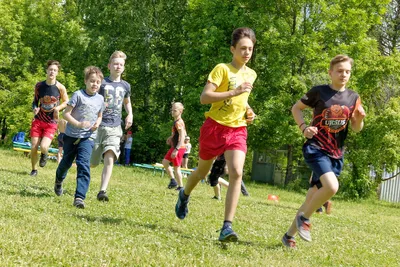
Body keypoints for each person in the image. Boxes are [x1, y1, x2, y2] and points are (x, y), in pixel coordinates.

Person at [175, 27, 257, 243]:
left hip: (237, 129)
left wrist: (249, 110)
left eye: (250, 48)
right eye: (242, 48)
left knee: (237, 172)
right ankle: (184, 194)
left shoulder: (251, 74)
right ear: (233, 49)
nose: (247, 52)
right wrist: (234, 92)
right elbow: (205, 97)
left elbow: (242, 100)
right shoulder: (222, 69)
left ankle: (226, 227)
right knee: (202, 172)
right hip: (214, 128)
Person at [281, 55, 366, 248]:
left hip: (336, 154)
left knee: (311, 198)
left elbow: (356, 128)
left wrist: (359, 119)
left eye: (347, 71)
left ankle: (288, 236)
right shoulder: (319, 92)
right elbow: (296, 108)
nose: (344, 74)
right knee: (332, 187)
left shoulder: (354, 97)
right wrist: (304, 128)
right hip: (316, 148)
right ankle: (305, 219)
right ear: (330, 72)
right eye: (340, 71)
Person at [54, 66, 105, 209]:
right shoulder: (78, 95)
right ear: (86, 81)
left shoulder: (100, 99)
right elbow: (66, 114)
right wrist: (78, 124)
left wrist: (96, 124)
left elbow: (100, 116)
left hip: (88, 137)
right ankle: (59, 179)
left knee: (83, 164)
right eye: (92, 81)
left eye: (98, 82)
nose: (95, 84)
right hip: (71, 136)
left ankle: (79, 197)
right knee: (66, 163)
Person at [91, 51, 133, 202]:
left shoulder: (126, 86)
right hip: (98, 126)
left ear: (124, 67)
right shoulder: (102, 83)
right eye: (115, 64)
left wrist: (130, 114)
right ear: (109, 66)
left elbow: (127, 102)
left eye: (121, 64)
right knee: (93, 163)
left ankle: (102, 191)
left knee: (110, 156)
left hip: (115, 127)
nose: (118, 66)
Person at [29, 60, 69, 176]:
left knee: (44, 146)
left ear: (57, 73)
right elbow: (35, 102)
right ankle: (34, 169)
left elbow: (66, 101)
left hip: (51, 122)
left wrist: (58, 108)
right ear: (47, 71)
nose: (52, 72)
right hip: (38, 120)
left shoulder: (60, 87)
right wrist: (35, 108)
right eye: (50, 69)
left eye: (55, 70)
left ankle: (44, 154)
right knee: (33, 146)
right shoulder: (39, 86)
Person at [162, 102, 187, 190]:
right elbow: (184, 134)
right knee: (165, 162)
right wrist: (171, 137)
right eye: (172, 110)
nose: (172, 112)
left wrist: (176, 149)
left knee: (177, 168)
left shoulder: (178, 123)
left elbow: (183, 136)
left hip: (178, 148)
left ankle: (180, 186)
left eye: (175, 110)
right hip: (175, 147)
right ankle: (173, 181)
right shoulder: (177, 121)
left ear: (180, 111)